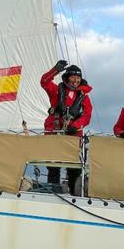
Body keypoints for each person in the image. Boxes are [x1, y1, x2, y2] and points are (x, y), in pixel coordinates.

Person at [40, 60, 93, 194]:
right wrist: (55, 70)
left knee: (74, 167)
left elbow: (87, 115)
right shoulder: (57, 90)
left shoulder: (84, 97)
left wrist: (76, 126)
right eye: (73, 77)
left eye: (78, 78)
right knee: (53, 166)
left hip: (73, 135)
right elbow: (44, 81)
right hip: (55, 132)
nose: (75, 80)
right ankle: (52, 192)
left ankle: (74, 194)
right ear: (67, 78)